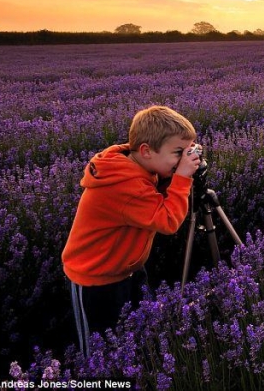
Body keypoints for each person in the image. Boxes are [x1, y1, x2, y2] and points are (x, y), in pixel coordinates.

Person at [61, 105, 201, 357]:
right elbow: (168, 221)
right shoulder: (125, 185)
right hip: (96, 279)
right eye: (178, 152)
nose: (184, 159)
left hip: (128, 269)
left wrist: (174, 170)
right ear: (146, 151)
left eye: (189, 150)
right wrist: (182, 179)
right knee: (100, 353)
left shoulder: (138, 164)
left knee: (138, 336)